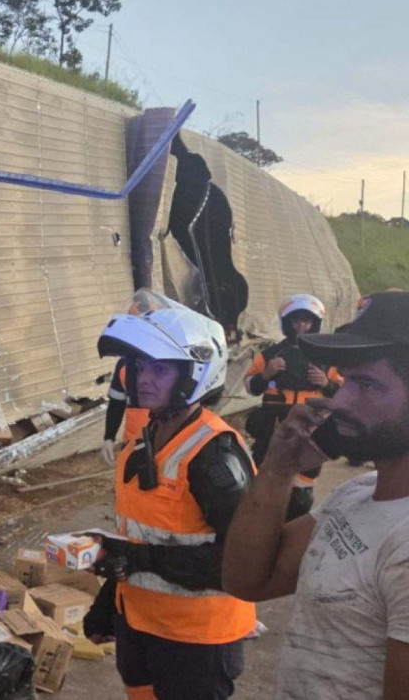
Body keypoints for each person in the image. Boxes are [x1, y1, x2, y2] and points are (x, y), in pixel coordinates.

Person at [223, 291, 409, 700]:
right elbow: (247, 580)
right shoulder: (359, 493)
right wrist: (278, 468)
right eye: (343, 380)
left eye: (366, 384)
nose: (339, 400)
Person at [84, 290, 256, 700]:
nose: (143, 378)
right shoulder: (146, 440)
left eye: (160, 369)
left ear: (194, 375)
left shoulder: (215, 455)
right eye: (142, 365)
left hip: (197, 639)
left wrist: (137, 559)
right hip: (139, 624)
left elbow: (244, 560)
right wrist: (110, 599)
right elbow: (144, 536)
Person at [243, 294, 341, 518]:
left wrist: (327, 383)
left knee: (301, 490)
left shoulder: (327, 357)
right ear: (287, 323)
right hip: (273, 424)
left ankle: (292, 521)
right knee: (261, 476)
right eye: (296, 320)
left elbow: (345, 391)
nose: (301, 325)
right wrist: (267, 373)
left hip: (310, 425)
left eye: (306, 321)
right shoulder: (270, 354)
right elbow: (250, 386)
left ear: (315, 323)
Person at [102, 357, 151, 465]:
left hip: (166, 446)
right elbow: (116, 404)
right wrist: (109, 437)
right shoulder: (125, 364)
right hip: (132, 446)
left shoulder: (173, 364)